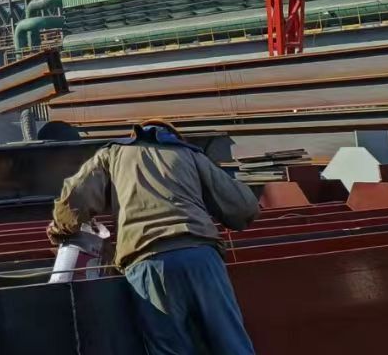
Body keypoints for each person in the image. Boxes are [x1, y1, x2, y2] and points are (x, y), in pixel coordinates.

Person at [49, 122, 260, 355]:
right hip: (201, 258)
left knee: (170, 349)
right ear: (172, 136)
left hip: (148, 263)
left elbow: (75, 198)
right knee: (231, 342)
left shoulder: (112, 153)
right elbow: (243, 207)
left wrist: (60, 230)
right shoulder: (188, 154)